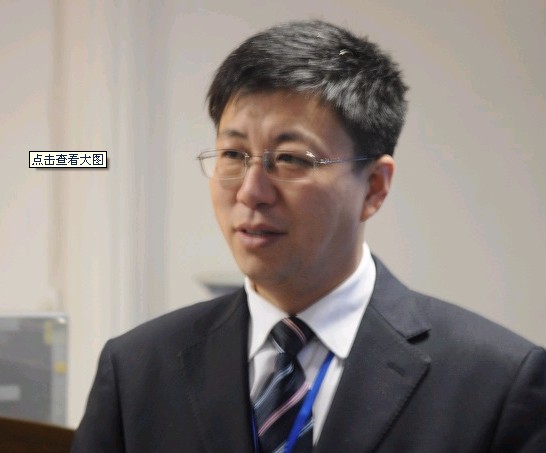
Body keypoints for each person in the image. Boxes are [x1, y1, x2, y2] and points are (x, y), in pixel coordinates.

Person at [72, 20, 546, 452]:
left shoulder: (497, 382)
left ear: (374, 187)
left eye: (292, 160)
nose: (251, 192)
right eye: (234, 155)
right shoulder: (137, 370)